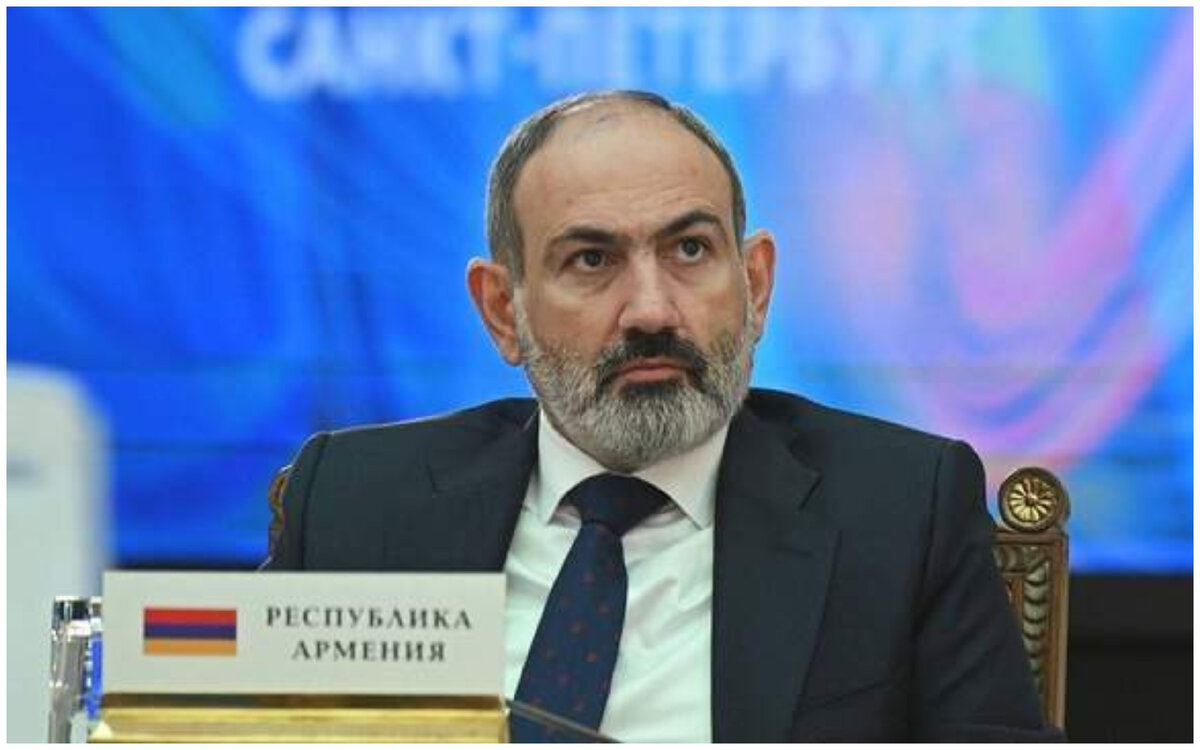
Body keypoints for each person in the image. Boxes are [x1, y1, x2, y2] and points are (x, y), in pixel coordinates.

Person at [265, 90, 1061, 742]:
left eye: (689, 251)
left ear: (755, 285)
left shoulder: (898, 509)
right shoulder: (358, 503)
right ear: (503, 310)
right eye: (592, 260)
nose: (651, 310)